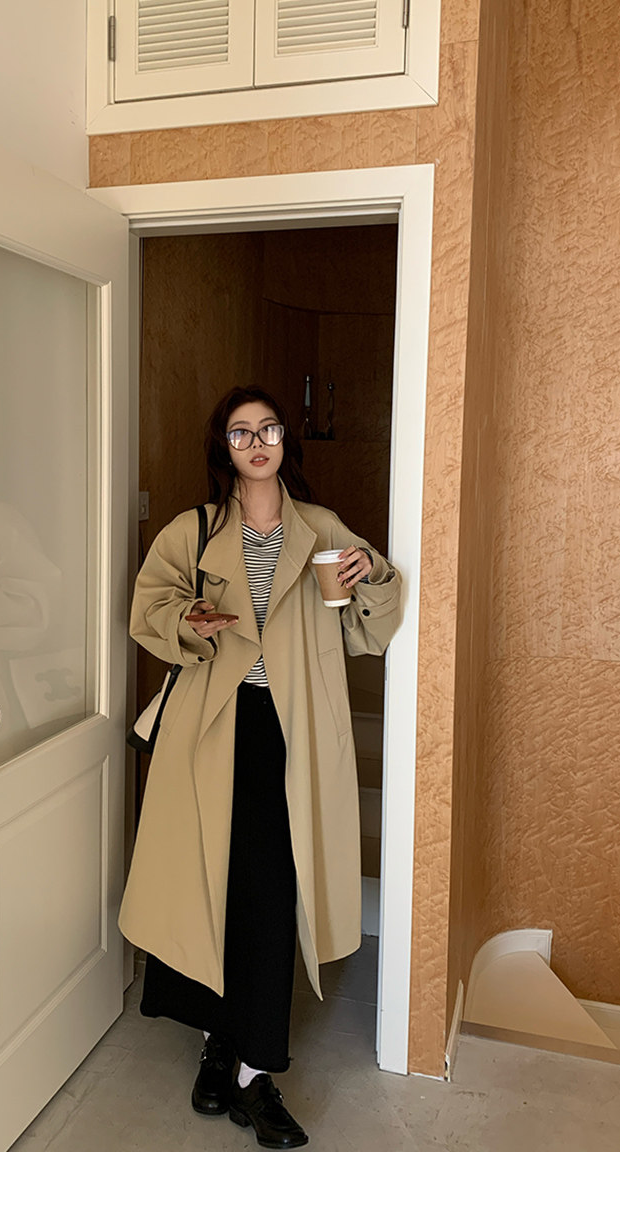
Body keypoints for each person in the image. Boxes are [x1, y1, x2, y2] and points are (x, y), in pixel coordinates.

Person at [118, 385, 401, 1149]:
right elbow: (149, 608)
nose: (256, 443)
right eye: (241, 432)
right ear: (224, 447)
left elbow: (370, 623)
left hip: (291, 731)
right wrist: (189, 619)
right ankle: (220, 1045)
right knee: (208, 885)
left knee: (271, 895)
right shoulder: (194, 529)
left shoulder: (322, 528)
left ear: (285, 441)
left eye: (268, 429)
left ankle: (254, 1072)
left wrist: (372, 573)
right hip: (209, 731)